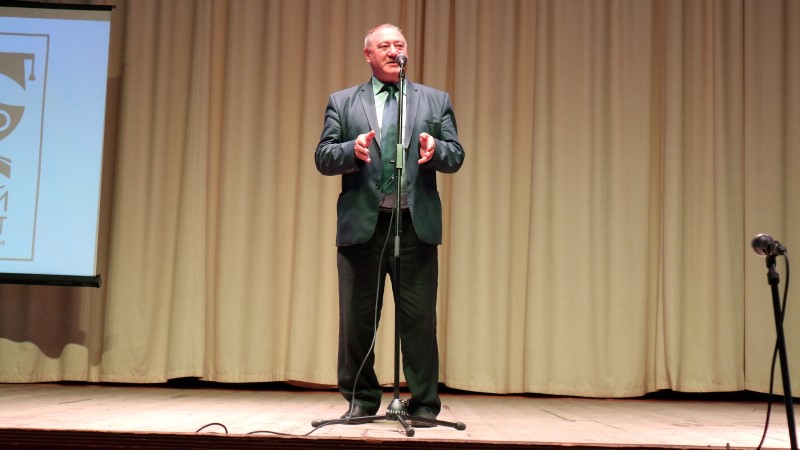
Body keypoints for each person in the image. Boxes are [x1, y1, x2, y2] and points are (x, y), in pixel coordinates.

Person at [315, 24, 465, 425]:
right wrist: (351, 149)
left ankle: (424, 404)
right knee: (356, 321)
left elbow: (456, 155)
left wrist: (436, 149)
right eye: (384, 45)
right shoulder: (343, 102)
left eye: (399, 44)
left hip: (414, 227)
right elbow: (323, 156)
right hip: (362, 229)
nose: (394, 50)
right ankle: (361, 400)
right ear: (368, 55)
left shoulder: (434, 100)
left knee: (419, 322)